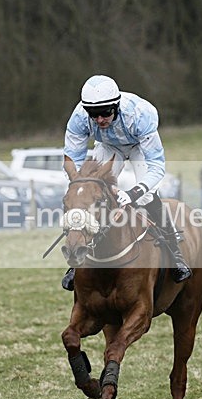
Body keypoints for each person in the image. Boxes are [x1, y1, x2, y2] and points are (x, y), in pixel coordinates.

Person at [60, 74, 192, 291]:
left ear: (116, 106)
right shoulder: (78, 117)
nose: (100, 120)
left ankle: (174, 252)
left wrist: (133, 193)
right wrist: (80, 188)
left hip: (139, 147)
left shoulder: (140, 115)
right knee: (90, 193)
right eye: (94, 114)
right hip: (109, 147)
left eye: (105, 113)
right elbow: (72, 161)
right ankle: (77, 261)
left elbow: (157, 167)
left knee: (148, 196)